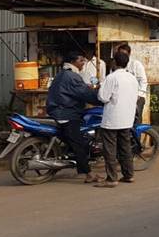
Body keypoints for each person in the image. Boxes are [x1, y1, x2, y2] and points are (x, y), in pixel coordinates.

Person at [46, 51, 101, 183]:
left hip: (58, 110)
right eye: (81, 60)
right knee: (79, 143)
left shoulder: (62, 74)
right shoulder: (72, 76)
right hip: (67, 113)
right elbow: (85, 94)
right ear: (74, 62)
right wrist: (101, 98)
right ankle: (88, 174)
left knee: (75, 139)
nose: (83, 63)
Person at [95, 51, 139, 187]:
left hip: (112, 119)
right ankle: (128, 175)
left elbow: (103, 97)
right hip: (127, 119)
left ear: (114, 63)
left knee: (110, 150)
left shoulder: (112, 78)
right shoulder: (132, 78)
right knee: (125, 148)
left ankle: (112, 178)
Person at [114, 43, 148, 125]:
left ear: (129, 54)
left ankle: (137, 137)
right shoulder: (116, 65)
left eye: (124, 54)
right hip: (123, 97)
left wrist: (139, 95)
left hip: (138, 97)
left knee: (136, 118)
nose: (122, 56)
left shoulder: (136, 64)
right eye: (120, 54)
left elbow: (143, 81)